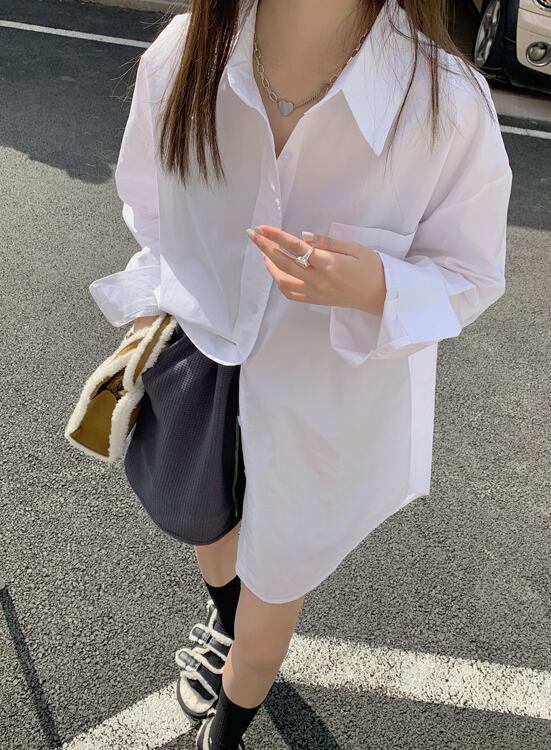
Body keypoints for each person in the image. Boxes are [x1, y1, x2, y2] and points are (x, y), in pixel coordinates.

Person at [88, 0, 513, 747]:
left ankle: (225, 730)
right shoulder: (186, 52)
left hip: (328, 400)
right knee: (208, 528)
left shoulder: (443, 102)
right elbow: (151, 207)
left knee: (266, 622)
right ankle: (224, 622)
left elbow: (472, 271)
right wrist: (152, 301)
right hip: (204, 359)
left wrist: (379, 285)